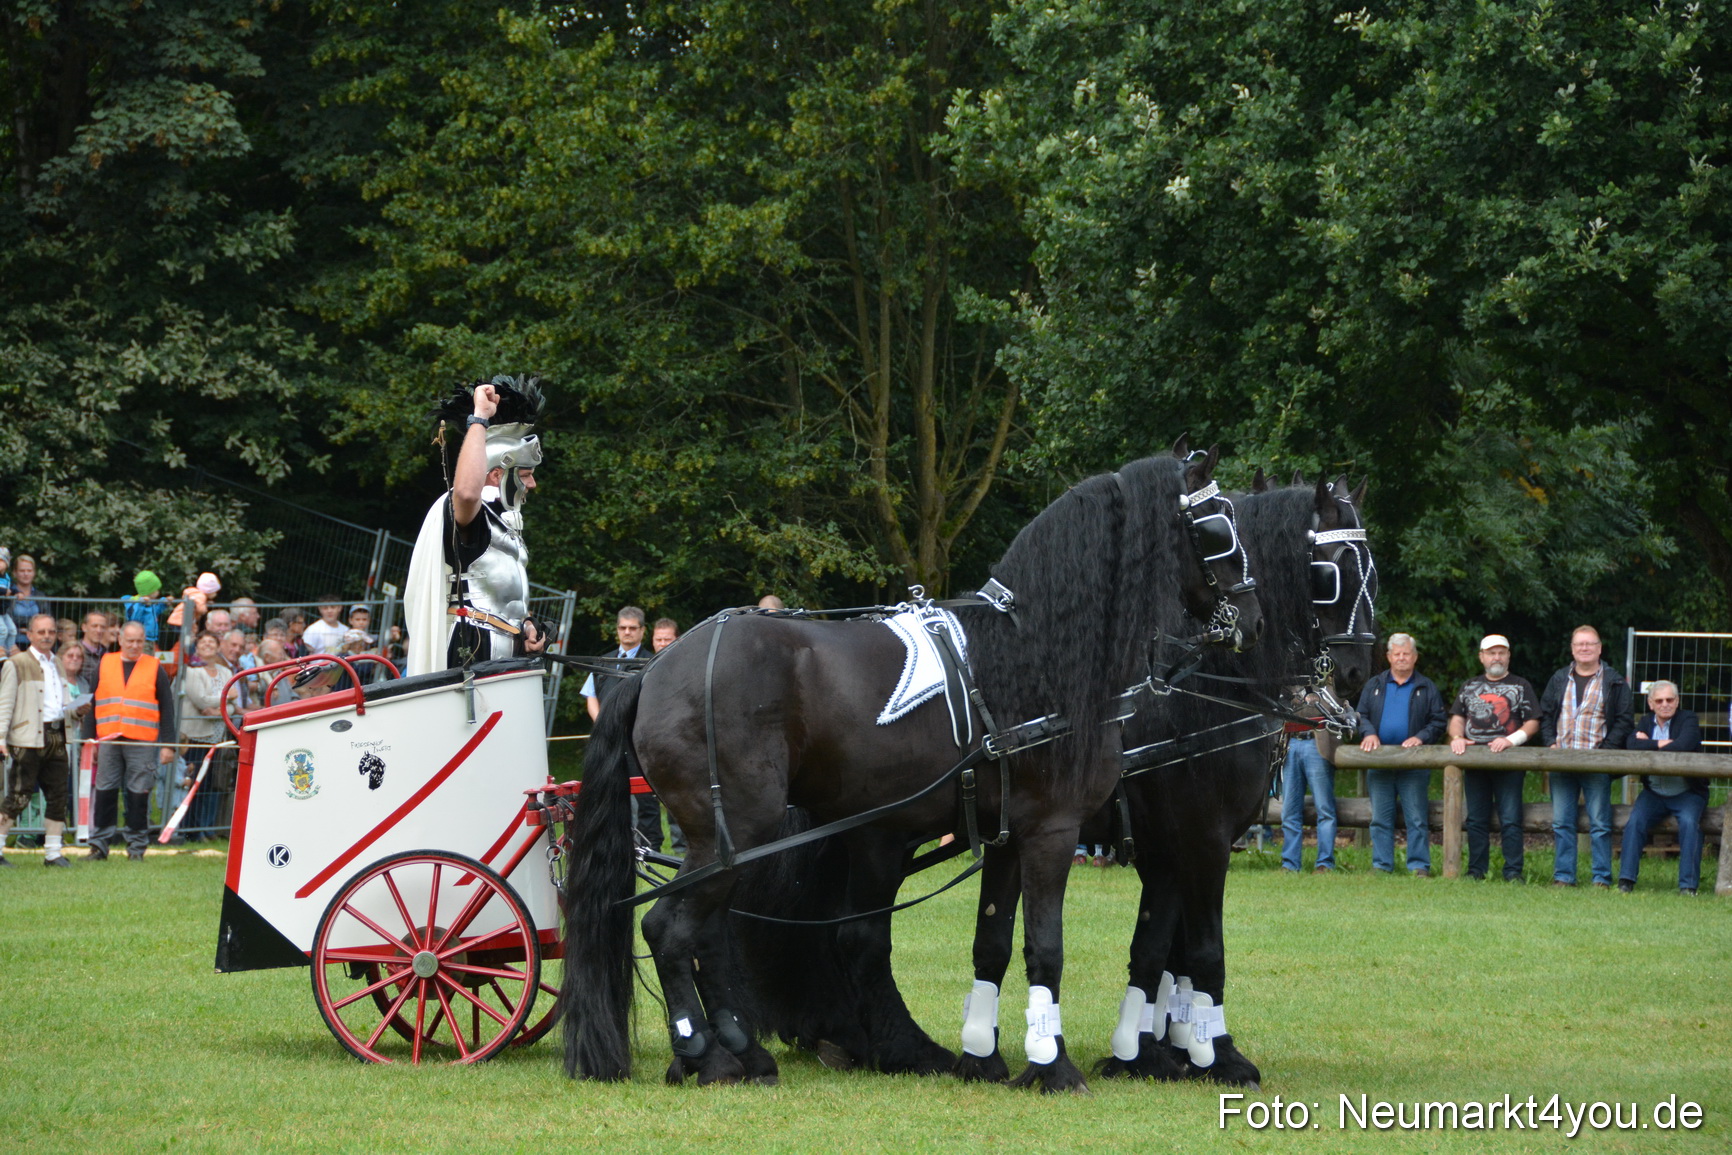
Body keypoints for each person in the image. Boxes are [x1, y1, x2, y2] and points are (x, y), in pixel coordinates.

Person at [405, 377, 550, 674]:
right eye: (525, 475)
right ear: (496, 475)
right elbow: (467, 494)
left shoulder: (505, 524)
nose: (532, 484)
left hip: (508, 649)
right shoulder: (473, 515)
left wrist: (527, 626)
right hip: (473, 646)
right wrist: (479, 418)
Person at [1538, 625, 1633, 888]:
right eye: (1579, 644)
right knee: (1561, 822)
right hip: (1562, 760)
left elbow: (1624, 720)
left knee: (1600, 823)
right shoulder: (1559, 678)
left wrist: (1605, 752)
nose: (1584, 648)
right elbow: (1546, 715)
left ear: (1599, 648)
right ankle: (1564, 876)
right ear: (1572, 649)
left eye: (1590, 643)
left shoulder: (1614, 681)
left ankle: (1601, 877)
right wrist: (1550, 743)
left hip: (1596, 762)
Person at [1448, 634, 1541, 882]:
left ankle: (1513, 872)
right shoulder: (1469, 686)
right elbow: (1457, 718)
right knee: (1475, 819)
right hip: (1475, 762)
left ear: (1509, 656)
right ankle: (1476, 871)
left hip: (1510, 762)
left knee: (1510, 819)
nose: (1496, 657)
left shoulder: (1521, 686)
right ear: (1482, 657)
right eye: (1491, 653)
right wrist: (1457, 737)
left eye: (1501, 652)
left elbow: (1533, 722)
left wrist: (1511, 740)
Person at [1356, 633, 1449, 876]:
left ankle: (1419, 866)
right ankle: (1381, 865)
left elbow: (1438, 721)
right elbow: (1360, 716)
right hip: (1380, 762)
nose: (1401, 658)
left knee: (1416, 818)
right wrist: (1369, 733)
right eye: (1396, 654)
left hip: (1414, 764)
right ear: (1388, 657)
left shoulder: (1426, 687)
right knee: (1380, 818)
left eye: (1406, 653)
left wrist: (1421, 737)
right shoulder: (1374, 685)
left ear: (1415, 657)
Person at [90, 621, 177, 861]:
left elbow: (167, 708)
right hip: (108, 740)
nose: (135, 645)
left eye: (139, 641)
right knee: (105, 792)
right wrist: (90, 739)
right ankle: (99, 846)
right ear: (120, 639)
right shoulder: (104, 663)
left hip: (142, 741)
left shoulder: (154, 667)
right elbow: (91, 702)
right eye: (130, 640)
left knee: (139, 794)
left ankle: (136, 848)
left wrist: (169, 745)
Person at [0, 615, 77, 867]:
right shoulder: (16, 663)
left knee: (58, 795)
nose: (46, 636)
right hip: (27, 737)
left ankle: (53, 854)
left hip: (57, 734)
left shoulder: (57, 663)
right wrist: (1, 737)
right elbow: (5, 703)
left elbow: (62, 701)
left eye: (51, 632)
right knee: (18, 796)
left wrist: (76, 710)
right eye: (41, 631)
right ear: (30, 634)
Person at [1620, 681, 1706, 894]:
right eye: (1659, 701)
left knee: (1690, 824)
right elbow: (1631, 745)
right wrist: (1659, 743)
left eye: (1669, 699)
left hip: (1687, 793)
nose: (1665, 704)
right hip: (1653, 793)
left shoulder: (1689, 719)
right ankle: (1626, 881)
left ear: (1677, 701)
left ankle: (1688, 886)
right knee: (1635, 822)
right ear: (1651, 704)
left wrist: (1648, 745)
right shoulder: (1645, 721)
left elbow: (1684, 745)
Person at [583, 607, 657, 848]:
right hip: (607, 738)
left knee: (645, 794)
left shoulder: (652, 663)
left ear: (642, 631)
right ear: (617, 630)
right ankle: (615, 841)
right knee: (609, 791)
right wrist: (603, 723)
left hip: (638, 738)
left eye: (632, 628)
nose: (627, 632)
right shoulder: (602, 661)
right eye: (623, 628)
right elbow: (591, 696)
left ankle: (651, 845)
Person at [179, 632, 229, 839]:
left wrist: (219, 710)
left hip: (217, 737)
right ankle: (187, 829)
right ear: (197, 646)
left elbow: (233, 703)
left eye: (212, 642)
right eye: (203, 642)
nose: (208, 645)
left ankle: (201, 828)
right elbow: (201, 700)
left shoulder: (226, 672)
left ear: (218, 647)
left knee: (209, 785)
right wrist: (225, 699)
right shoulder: (191, 671)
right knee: (193, 783)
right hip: (195, 736)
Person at [1279, 720, 1339, 874]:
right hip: (1290, 743)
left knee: (1325, 809)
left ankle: (1325, 864)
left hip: (1317, 743)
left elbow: (1336, 712)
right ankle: (1290, 864)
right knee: (1289, 811)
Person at [652, 618, 686, 855]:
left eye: (667, 639)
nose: (663, 644)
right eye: (659, 639)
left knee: (681, 794)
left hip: (682, 741)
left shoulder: (686, 667)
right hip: (652, 742)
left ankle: (683, 846)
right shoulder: (646, 669)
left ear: (678, 639)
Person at [120, 570, 168, 646]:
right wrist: (141, 605)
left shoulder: (149, 604)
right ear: (149, 591)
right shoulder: (137, 604)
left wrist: (164, 603)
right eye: (156, 590)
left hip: (150, 638)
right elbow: (135, 619)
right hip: (141, 639)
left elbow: (155, 612)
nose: (158, 592)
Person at [8, 554, 44, 642]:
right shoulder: (8, 594)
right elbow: (8, 619)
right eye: (22, 571)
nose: (26, 574)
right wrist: (34, 624)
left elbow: (47, 618)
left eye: (29, 571)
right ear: (14, 573)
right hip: (12, 644)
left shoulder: (41, 596)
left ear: (34, 573)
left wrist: (23, 626)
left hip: (37, 644)